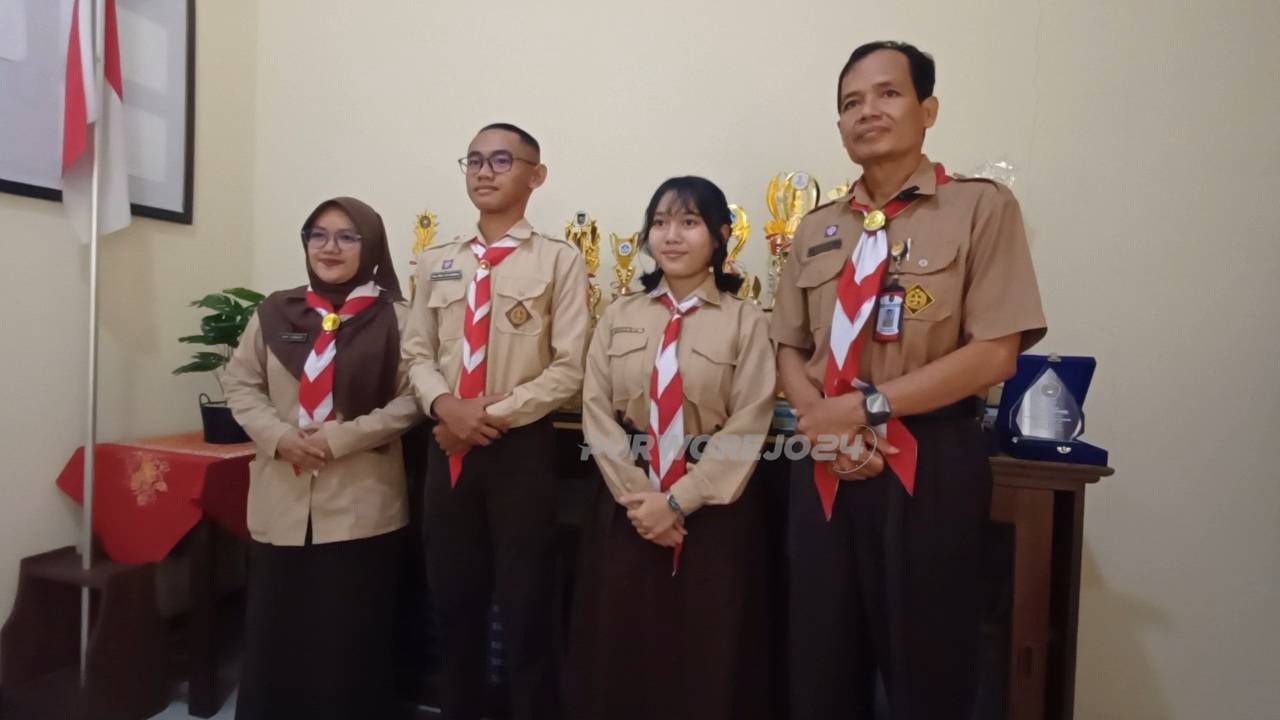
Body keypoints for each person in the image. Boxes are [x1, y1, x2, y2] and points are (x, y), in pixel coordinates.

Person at [771, 41, 1048, 719]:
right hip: (825, 464)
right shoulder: (814, 229)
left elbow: (996, 353)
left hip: (929, 462)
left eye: (887, 94)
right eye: (850, 102)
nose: (868, 111)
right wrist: (821, 423)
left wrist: (863, 410)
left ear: (927, 109)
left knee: (929, 667)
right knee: (817, 663)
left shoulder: (980, 209)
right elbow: (786, 345)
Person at [566, 176, 777, 720]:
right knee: (622, 642)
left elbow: (749, 420)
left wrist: (678, 501)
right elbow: (596, 410)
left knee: (707, 646)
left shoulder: (746, 321)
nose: (671, 236)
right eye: (659, 223)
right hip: (628, 505)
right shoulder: (619, 314)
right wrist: (643, 502)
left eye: (689, 222)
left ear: (720, 235)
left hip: (712, 510)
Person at [402, 123, 590, 720]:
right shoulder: (437, 262)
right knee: (454, 604)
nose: (484, 171)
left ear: (536, 175)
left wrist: (485, 415)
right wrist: (444, 407)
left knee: (527, 605)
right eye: (474, 160)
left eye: (502, 160)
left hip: (520, 452)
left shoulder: (560, 261)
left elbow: (570, 366)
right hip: (445, 449)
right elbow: (416, 353)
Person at [224, 196, 421, 720]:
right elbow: (241, 384)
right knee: (275, 631)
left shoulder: (397, 318)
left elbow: (415, 398)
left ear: (371, 244)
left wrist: (341, 439)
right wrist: (279, 436)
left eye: (346, 236)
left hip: (360, 502)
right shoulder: (274, 311)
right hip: (280, 495)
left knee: (348, 638)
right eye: (318, 235)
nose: (329, 247)